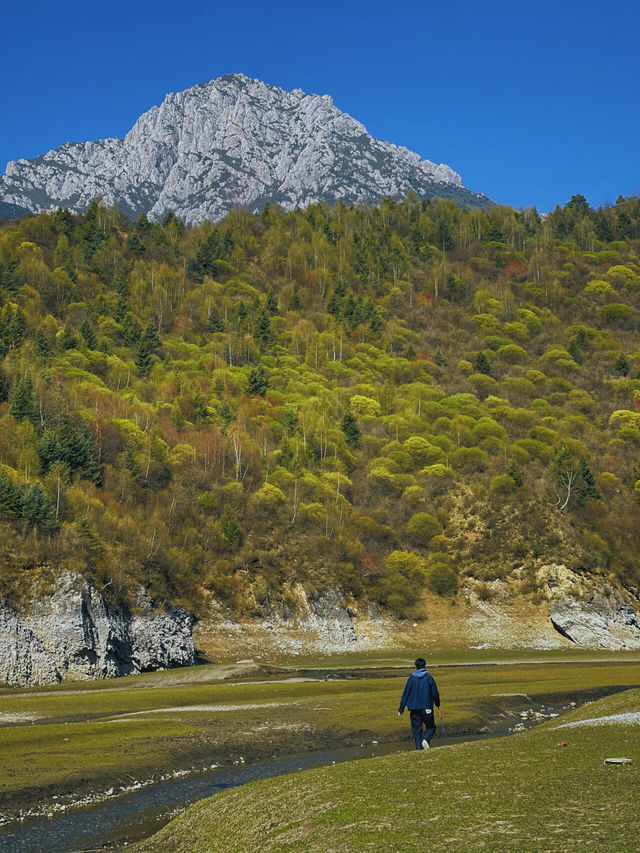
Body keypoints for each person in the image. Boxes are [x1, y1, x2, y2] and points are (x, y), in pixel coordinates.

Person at [397, 657, 441, 750]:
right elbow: (435, 693)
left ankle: (419, 750)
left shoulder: (411, 679)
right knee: (431, 727)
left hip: (414, 709)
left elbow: (405, 694)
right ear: (424, 666)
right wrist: (437, 704)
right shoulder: (429, 678)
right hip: (427, 708)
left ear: (416, 666)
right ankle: (426, 740)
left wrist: (401, 709)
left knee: (417, 731)